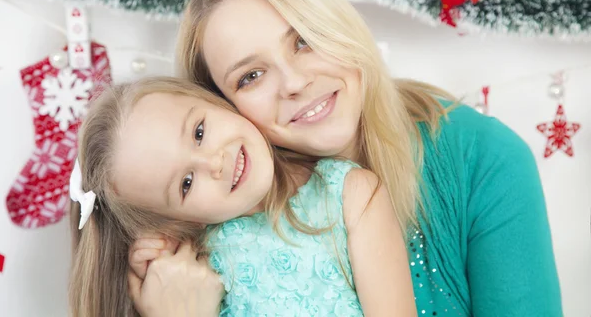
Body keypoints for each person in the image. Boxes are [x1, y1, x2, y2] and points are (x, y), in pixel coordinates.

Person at [134, 0, 562, 316]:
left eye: (303, 40)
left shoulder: (485, 158)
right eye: (251, 76)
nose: (294, 82)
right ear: (223, 109)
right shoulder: (215, 222)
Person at [68, 76, 416, 317]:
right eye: (186, 183)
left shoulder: (349, 195)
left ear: (214, 100)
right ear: (176, 222)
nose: (214, 162)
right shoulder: (188, 276)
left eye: (200, 131)